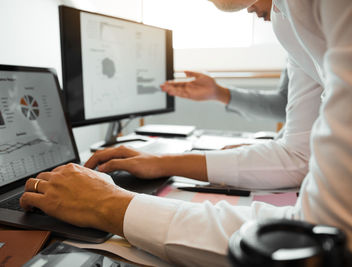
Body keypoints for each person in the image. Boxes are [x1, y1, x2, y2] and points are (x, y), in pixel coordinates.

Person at [20, 0, 352, 266]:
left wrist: (110, 206)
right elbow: (297, 156)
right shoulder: (288, 21)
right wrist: (163, 164)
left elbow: (319, 237)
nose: (266, 14)